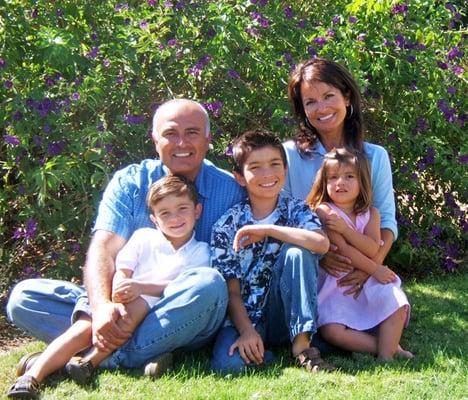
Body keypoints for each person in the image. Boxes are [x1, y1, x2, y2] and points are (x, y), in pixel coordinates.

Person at [6, 99, 245, 382]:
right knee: (23, 298)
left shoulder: (230, 190)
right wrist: (102, 307)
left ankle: (90, 357)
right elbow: (104, 249)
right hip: (123, 304)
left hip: (182, 310)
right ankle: (134, 353)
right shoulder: (131, 182)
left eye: (192, 132)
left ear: (208, 139)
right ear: (155, 139)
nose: (181, 142)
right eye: (170, 133)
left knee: (209, 284)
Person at [7, 175, 211, 398]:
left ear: (197, 211)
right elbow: (123, 268)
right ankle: (31, 377)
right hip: (119, 300)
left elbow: (180, 286)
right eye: (165, 213)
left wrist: (140, 288)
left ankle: (88, 362)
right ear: (154, 219)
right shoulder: (144, 237)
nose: (175, 218)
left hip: (156, 316)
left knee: (139, 307)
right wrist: (115, 297)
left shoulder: (200, 251)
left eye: (183, 208)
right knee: (84, 328)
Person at [210, 129, 333, 374]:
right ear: (240, 177)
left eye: (274, 164)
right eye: (255, 167)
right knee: (228, 365)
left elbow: (321, 243)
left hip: (285, 312)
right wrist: (246, 331)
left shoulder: (297, 211)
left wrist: (268, 230)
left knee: (298, 252)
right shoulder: (226, 225)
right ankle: (266, 350)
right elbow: (231, 292)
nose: (267, 174)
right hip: (246, 317)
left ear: (285, 170)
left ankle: (301, 347)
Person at [284, 57, 398, 298]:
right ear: (303, 110)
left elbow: (386, 221)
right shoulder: (288, 155)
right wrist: (321, 254)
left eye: (328, 96)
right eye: (310, 102)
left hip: (364, 268)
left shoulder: (375, 156)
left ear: (346, 97)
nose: (322, 108)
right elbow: (283, 217)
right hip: (308, 270)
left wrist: (370, 268)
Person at [307, 148, 412, 360]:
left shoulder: (371, 213)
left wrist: (347, 231)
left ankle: (386, 356)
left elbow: (373, 248)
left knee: (397, 304)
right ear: (324, 183)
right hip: (338, 283)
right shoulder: (324, 211)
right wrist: (375, 268)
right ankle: (387, 347)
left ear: (362, 181)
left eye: (349, 176)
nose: (340, 183)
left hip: (370, 279)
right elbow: (343, 250)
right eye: (333, 177)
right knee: (332, 331)